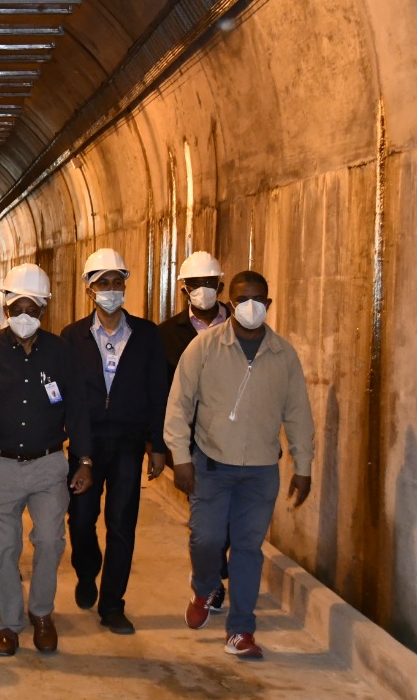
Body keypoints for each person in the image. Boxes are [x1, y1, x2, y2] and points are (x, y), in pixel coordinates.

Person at [166, 270, 314, 660]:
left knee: (248, 548)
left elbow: (298, 411)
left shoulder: (283, 354)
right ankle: (205, 586)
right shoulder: (205, 347)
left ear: (268, 304)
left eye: (258, 299)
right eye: (242, 298)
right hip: (212, 466)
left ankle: (241, 630)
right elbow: (179, 404)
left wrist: (304, 464)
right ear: (230, 303)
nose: (251, 306)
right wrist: (181, 459)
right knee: (207, 539)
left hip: (261, 470)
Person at [0, 264, 93, 658]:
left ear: (44, 309)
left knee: (49, 541)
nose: (25, 316)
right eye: (18, 307)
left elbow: (78, 409)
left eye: (33, 308)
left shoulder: (61, 353)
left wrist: (84, 460)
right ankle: (10, 624)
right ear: (6, 306)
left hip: (49, 465)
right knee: (4, 550)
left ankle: (42, 615)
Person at [60, 249, 169, 635]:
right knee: (82, 519)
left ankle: (112, 605)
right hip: (86, 443)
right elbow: (67, 396)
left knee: (122, 523)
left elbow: (159, 391)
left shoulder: (146, 335)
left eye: (117, 282)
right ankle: (87, 569)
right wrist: (75, 447)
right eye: (103, 283)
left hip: (127, 443)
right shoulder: (72, 337)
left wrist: (157, 444)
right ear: (90, 289)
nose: (111, 290)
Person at [158, 251, 232, 612]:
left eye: (210, 283)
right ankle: (212, 579)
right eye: (196, 284)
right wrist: (162, 446)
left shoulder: (244, 324)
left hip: (237, 438)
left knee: (230, 518)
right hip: (194, 443)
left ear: (220, 285)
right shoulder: (167, 334)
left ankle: (211, 571)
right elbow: (161, 396)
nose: (203, 290)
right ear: (184, 288)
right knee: (208, 517)